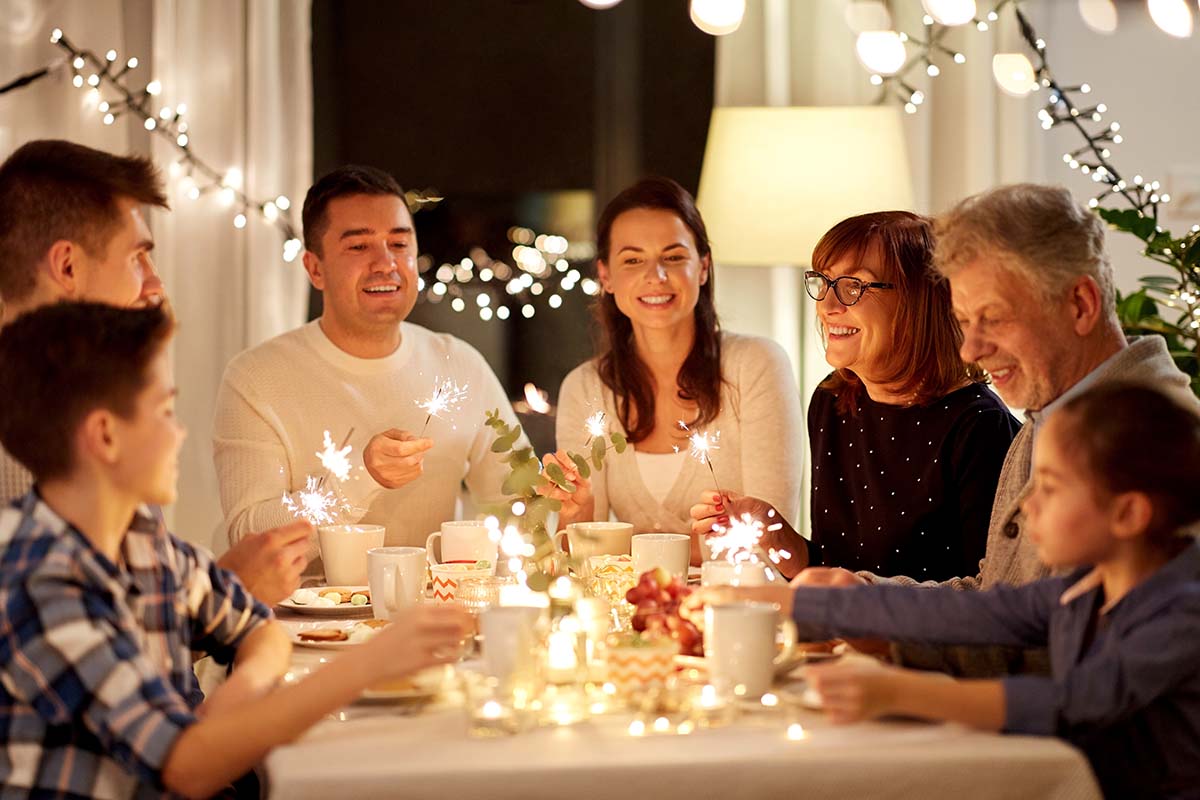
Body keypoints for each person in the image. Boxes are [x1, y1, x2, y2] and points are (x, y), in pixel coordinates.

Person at [711, 184, 1200, 676]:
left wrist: (882, 633)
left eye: (993, 318)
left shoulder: (1157, 449)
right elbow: (1000, 602)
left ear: (1079, 305)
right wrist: (862, 600)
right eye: (965, 321)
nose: (971, 349)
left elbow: (1075, 667)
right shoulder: (1054, 414)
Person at [0, 302, 472, 798]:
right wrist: (369, 663)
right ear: (105, 436)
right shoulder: (37, 577)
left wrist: (221, 714)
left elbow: (254, 624)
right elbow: (186, 767)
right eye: (165, 413)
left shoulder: (137, 536)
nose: (179, 434)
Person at [720, 384, 1200, 800]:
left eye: (1049, 488)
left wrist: (902, 691)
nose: (1026, 504)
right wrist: (802, 603)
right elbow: (973, 612)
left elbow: (1072, 705)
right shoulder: (1083, 588)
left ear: (1128, 515)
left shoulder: (1182, 615)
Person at [0, 139, 308, 605]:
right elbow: (85, 640)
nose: (155, 283)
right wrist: (229, 590)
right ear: (67, 266)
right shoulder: (32, 425)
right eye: (136, 258)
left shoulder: (95, 386)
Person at [213, 165, 526, 552]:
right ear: (315, 268)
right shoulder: (257, 378)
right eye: (359, 246)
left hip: (431, 610)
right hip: (298, 612)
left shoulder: (459, 365)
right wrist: (361, 477)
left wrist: (562, 507)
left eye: (399, 244)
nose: (386, 263)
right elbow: (249, 538)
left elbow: (519, 504)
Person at [694, 211, 1018, 581]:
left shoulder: (979, 428)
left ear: (919, 300)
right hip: (843, 633)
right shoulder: (832, 402)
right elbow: (832, 570)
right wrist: (771, 530)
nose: (828, 306)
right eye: (825, 282)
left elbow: (987, 596)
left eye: (853, 287)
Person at [543, 177, 805, 568]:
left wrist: (626, 550)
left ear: (703, 267)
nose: (656, 276)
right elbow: (582, 553)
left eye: (673, 256)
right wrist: (573, 513)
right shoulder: (586, 388)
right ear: (606, 276)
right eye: (633, 260)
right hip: (631, 614)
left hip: (738, 609)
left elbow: (771, 541)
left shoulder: (757, 365)